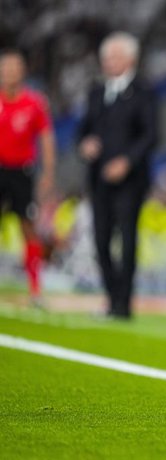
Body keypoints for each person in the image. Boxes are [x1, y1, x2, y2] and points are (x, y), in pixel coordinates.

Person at [77, 32, 159, 319]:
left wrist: (126, 161)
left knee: (127, 239)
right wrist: (85, 143)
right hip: (98, 178)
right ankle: (111, 297)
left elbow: (150, 135)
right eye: (105, 57)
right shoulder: (96, 92)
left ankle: (124, 304)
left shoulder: (144, 91)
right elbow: (84, 129)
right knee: (100, 240)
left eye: (114, 56)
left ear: (130, 59)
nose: (108, 62)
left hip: (130, 181)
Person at [0, 48, 56, 307]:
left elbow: (46, 137)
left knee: (28, 227)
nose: (10, 71)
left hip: (22, 171)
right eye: (6, 67)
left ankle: (35, 288)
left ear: (23, 71)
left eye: (14, 67)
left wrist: (48, 171)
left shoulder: (35, 102)